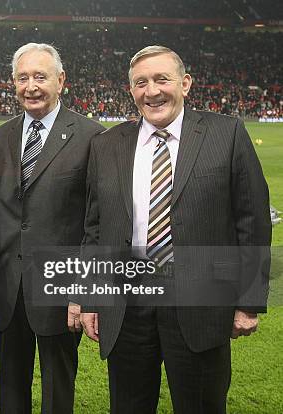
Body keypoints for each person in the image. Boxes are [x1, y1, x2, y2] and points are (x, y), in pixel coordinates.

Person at [74, 45, 271, 413]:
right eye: (141, 83)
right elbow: (95, 229)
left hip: (200, 304)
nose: (152, 91)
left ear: (185, 84)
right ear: (131, 91)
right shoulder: (106, 146)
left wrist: (247, 301)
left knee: (201, 405)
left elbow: (252, 222)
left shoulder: (226, 134)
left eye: (162, 79)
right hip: (128, 306)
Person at [0, 43, 105, 413]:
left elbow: (96, 222)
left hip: (62, 286)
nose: (31, 86)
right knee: (11, 386)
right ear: (13, 83)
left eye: (41, 76)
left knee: (58, 387)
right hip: (8, 285)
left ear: (61, 81)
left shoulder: (92, 135)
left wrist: (85, 290)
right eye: (23, 78)